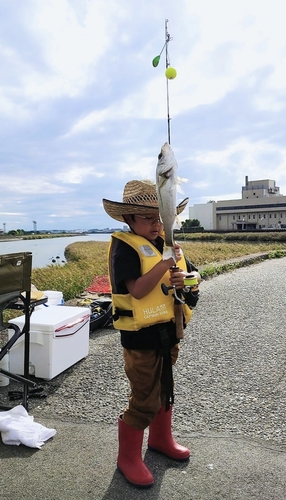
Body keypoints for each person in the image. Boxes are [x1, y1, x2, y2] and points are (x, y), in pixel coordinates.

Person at [102, 179, 200, 488]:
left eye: (161, 216)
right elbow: (139, 291)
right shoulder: (125, 249)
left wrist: (187, 279)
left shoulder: (168, 244)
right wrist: (165, 264)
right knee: (143, 399)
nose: (157, 223)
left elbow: (193, 275)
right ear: (128, 219)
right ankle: (128, 457)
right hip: (141, 340)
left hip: (169, 333)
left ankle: (160, 439)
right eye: (148, 217)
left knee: (164, 389)